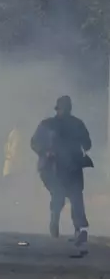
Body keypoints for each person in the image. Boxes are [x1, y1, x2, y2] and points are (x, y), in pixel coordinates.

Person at [30, 96, 93, 245]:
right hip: (51, 167)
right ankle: (55, 222)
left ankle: (78, 229)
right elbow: (34, 143)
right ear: (58, 109)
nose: (64, 111)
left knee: (75, 196)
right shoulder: (47, 125)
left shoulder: (76, 124)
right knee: (60, 194)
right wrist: (45, 152)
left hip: (71, 166)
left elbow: (87, 144)